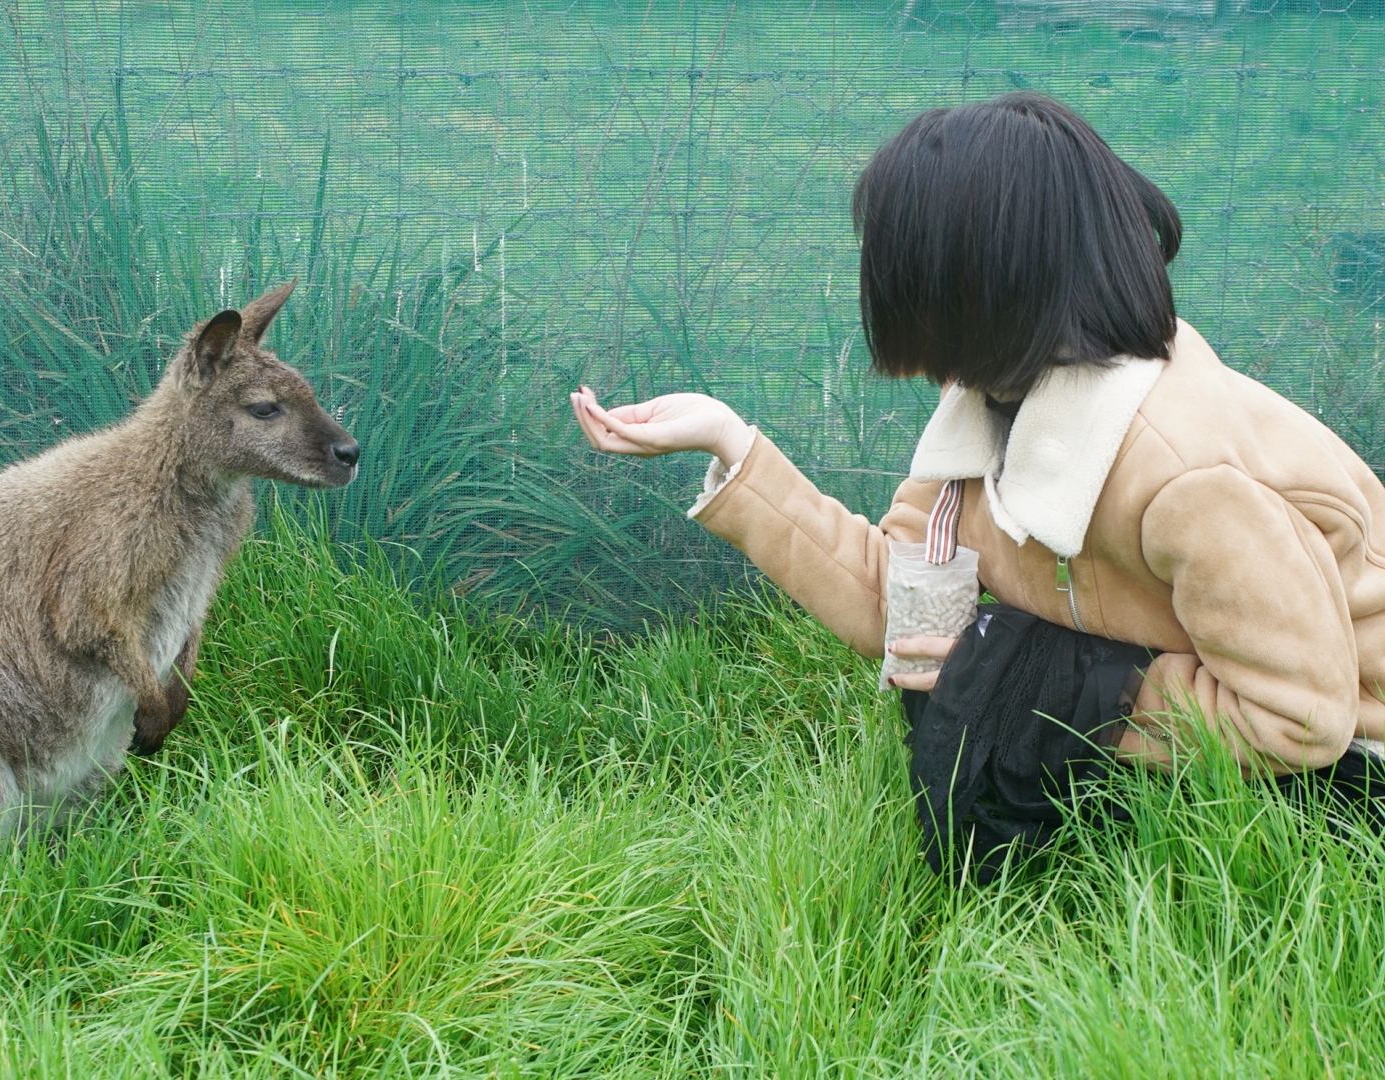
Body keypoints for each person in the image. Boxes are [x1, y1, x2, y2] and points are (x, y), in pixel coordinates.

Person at [570, 92, 1385, 824]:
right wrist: (731, 443)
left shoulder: (1188, 475)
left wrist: (1061, 686)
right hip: (1220, 729)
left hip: (1346, 770)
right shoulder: (992, 402)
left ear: (975, 281)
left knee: (1004, 681)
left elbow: (1301, 721)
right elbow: (909, 604)